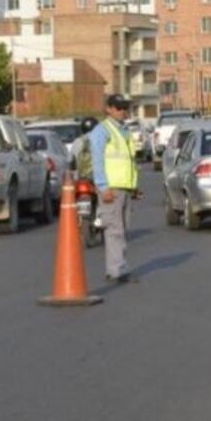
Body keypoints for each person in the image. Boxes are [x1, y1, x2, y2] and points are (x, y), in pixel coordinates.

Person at [88, 95, 140, 284]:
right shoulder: (102, 131)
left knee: (122, 228)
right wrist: (102, 186)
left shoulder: (124, 131)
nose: (122, 111)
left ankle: (118, 267)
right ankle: (117, 270)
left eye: (125, 108)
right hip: (111, 187)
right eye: (118, 108)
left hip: (124, 188)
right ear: (109, 109)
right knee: (114, 229)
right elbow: (98, 160)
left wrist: (134, 187)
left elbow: (129, 161)